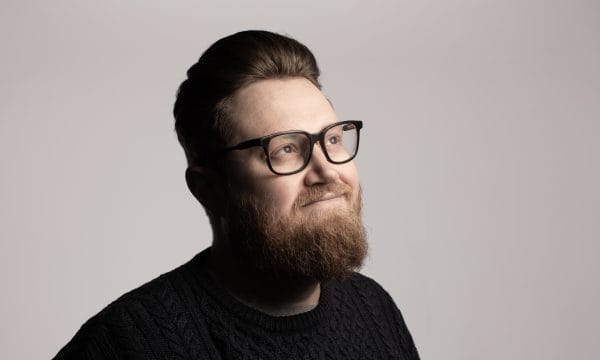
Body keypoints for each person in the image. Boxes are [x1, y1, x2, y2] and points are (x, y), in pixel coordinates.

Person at [54, 30, 420, 360]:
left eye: (334, 139)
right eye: (286, 149)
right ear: (210, 189)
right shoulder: (127, 344)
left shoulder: (373, 309)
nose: (327, 172)